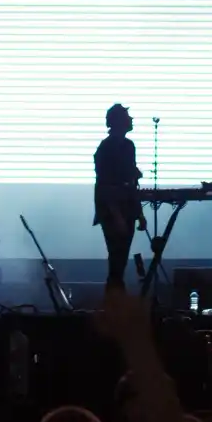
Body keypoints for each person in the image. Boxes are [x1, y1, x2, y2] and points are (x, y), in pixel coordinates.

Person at [94, 104, 147, 292]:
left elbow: (132, 183)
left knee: (121, 258)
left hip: (127, 207)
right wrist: (116, 216)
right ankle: (114, 299)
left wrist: (139, 213)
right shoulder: (106, 147)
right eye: (127, 116)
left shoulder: (128, 146)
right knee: (117, 258)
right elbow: (105, 185)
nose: (131, 119)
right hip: (113, 209)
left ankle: (116, 296)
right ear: (117, 121)